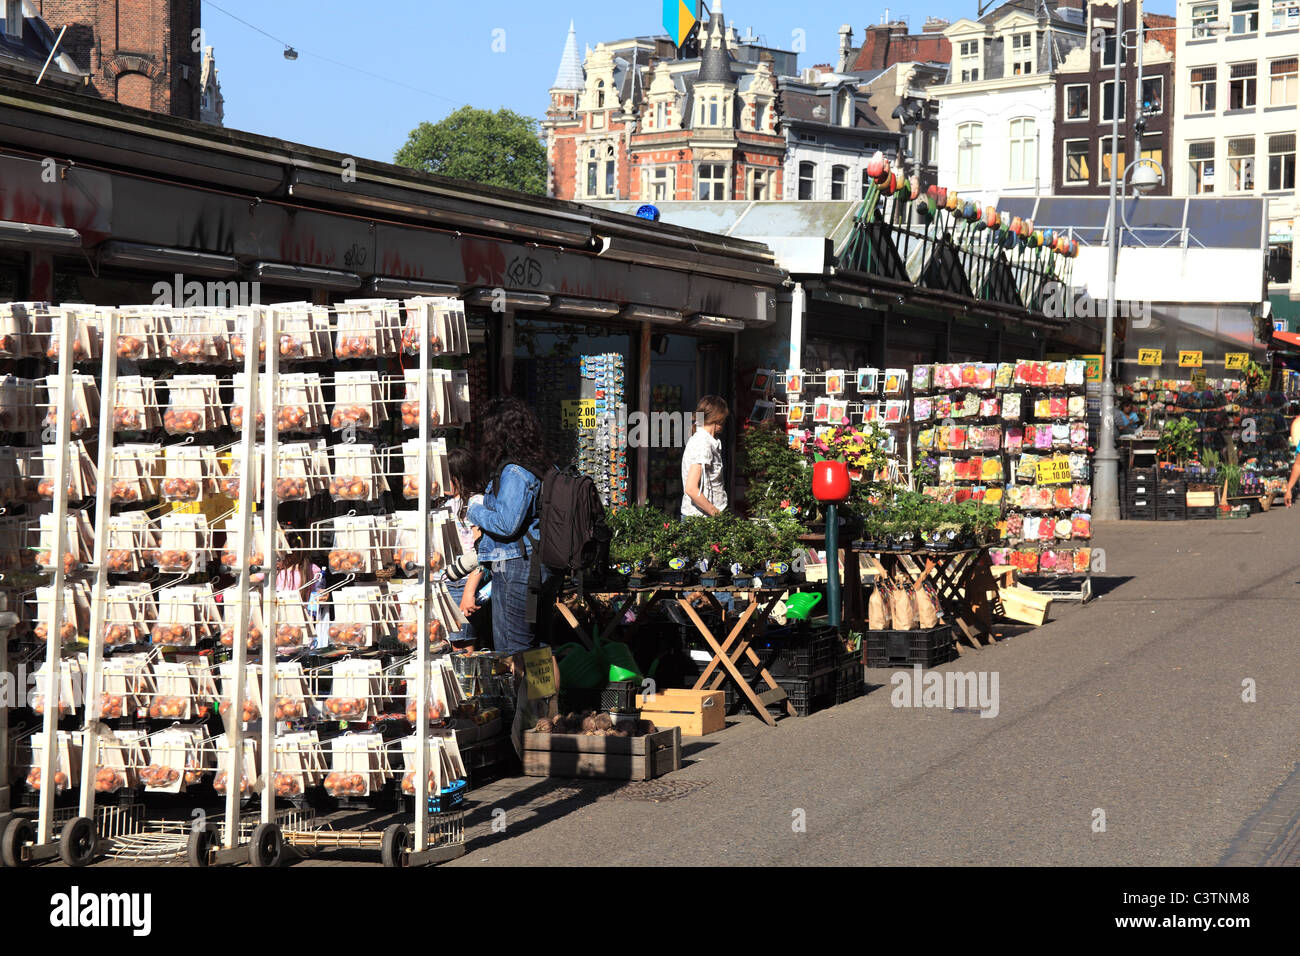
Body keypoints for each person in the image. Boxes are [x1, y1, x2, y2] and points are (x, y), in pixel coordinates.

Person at [466, 397, 555, 655]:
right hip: (541, 564)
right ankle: (547, 697)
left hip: (517, 565)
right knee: (540, 647)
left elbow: (506, 525)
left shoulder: (515, 471)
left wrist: (475, 510)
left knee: (514, 648)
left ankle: (522, 697)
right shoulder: (541, 465)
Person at [442, 447, 488, 649]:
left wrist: (469, 591)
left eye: (447, 476)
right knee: (454, 643)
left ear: (459, 476)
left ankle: (468, 681)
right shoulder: (450, 502)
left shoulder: (476, 502)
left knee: (462, 645)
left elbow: (482, 550)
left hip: (463, 583)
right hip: (449, 581)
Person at [681, 395, 730, 518]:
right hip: (701, 520)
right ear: (718, 418)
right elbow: (691, 488)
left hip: (703, 518)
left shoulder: (707, 441)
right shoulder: (703, 443)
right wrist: (716, 513)